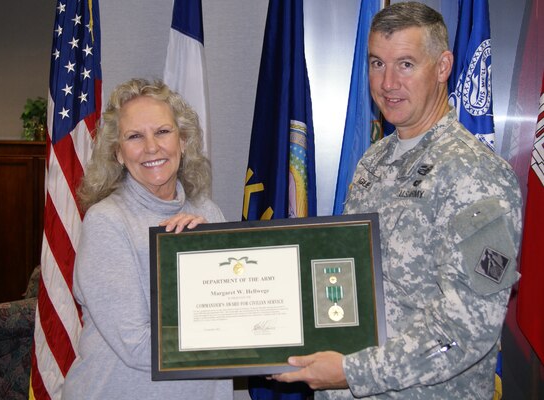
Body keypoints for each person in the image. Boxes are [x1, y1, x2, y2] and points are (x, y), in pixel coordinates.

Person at [273, 2, 523, 399]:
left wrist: (352, 371)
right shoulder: (375, 159)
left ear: (442, 67)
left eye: (405, 64)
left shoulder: (476, 175)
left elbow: (467, 329)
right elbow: (346, 274)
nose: (388, 82)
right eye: (376, 63)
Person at [61, 78, 233, 399]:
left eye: (163, 132)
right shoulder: (107, 222)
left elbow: (235, 307)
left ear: (183, 141)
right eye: (135, 136)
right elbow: (138, 346)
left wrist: (205, 249)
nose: (152, 147)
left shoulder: (208, 213)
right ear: (118, 153)